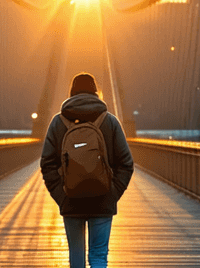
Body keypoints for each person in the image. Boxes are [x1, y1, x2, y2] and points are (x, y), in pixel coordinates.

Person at [40, 73, 135, 268]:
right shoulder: (110, 122)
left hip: (71, 199)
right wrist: (112, 193)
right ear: (96, 93)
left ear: (71, 94)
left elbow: (46, 164)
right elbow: (126, 163)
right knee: (99, 255)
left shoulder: (58, 123)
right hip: (103, 200)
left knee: (76, 256)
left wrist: (61, 196)